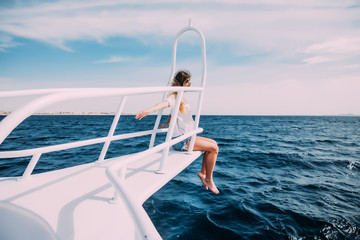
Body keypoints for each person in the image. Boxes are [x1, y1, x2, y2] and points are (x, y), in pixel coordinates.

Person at [135, 70, 219, 194]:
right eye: (189, 83)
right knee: (213, 149)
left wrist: (168, 122)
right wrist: (148, 110)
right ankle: (208, 179)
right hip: (182, 141)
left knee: (214, 143)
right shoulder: (174, 96)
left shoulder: (181, 98)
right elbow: (163, 104)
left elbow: (173, 111)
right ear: (184, 83)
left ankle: (203, 173)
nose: (190, 86)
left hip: (188, 135)